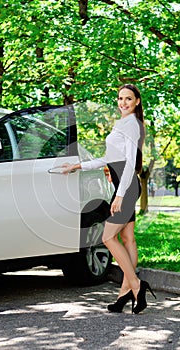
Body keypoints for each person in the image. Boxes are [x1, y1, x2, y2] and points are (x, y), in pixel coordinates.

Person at [62, 84, 156, 314]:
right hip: (124, 185)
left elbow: (130, 164)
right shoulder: (124, 123)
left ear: (137, 101)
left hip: (126, 186)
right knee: (128, 239)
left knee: (107, 237)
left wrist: (120, 195)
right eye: (120, 98)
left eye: (128, 99)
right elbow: (108, 158)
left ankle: (135, 284)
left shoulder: (132, 125)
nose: (123, 102)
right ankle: (124, 294)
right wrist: (78, 165)